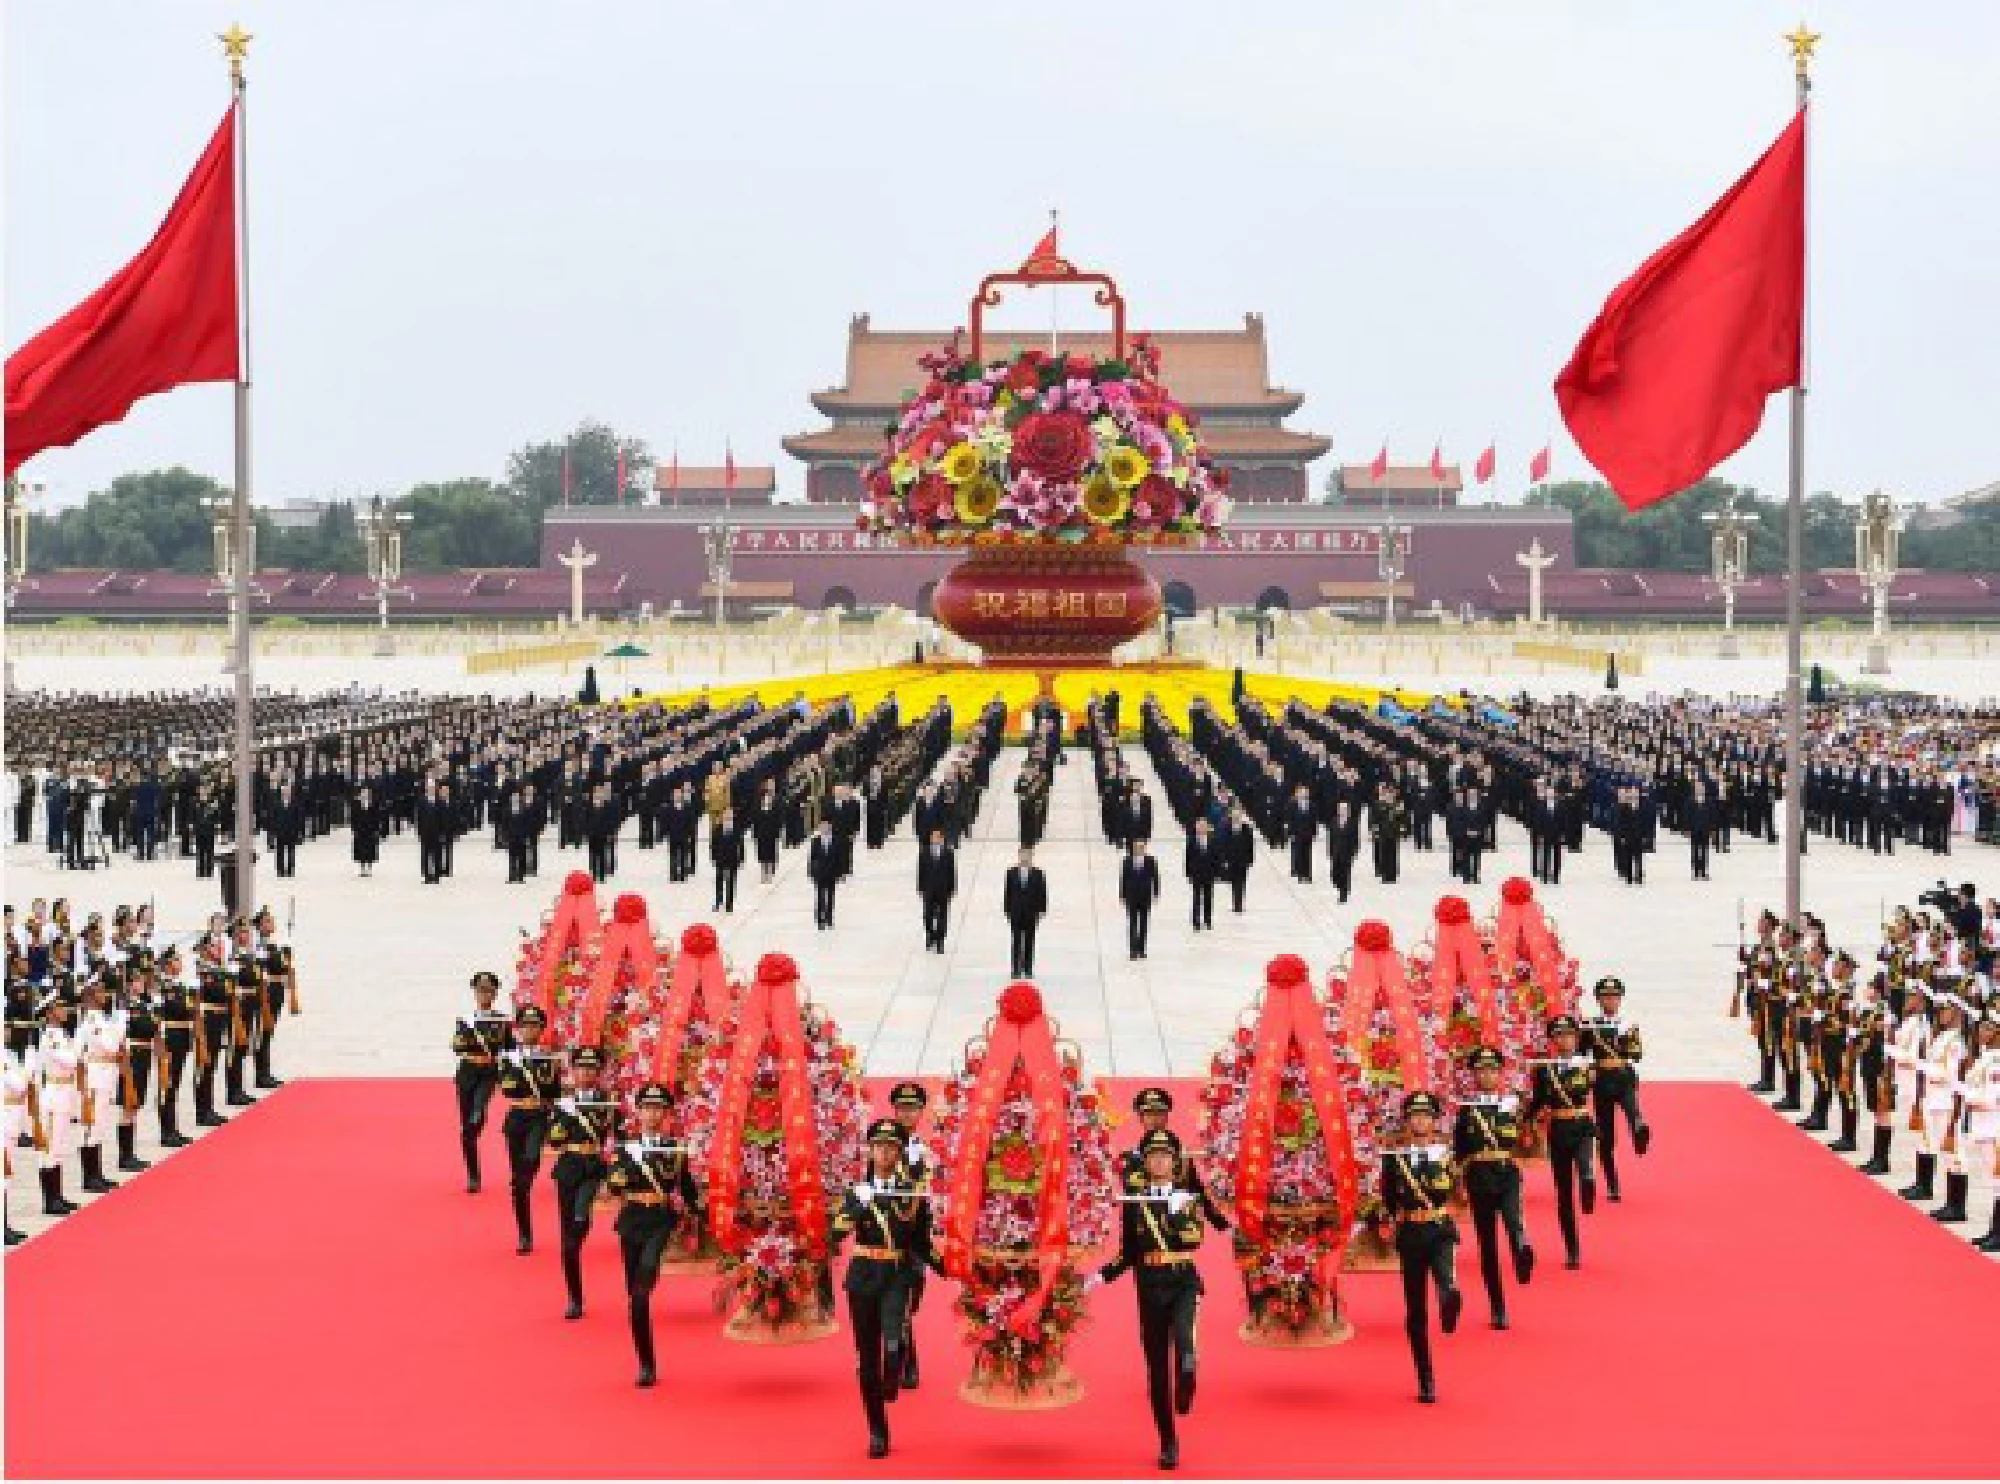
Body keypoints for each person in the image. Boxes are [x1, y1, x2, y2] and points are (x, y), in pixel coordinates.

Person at [1087, 1127, 1206, 1470]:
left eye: (1165, 1156)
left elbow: (1192, 1241)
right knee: (1156, 1370)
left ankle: (1188, 1379)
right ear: (1146, 1162)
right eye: (1153, 1156)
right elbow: (1128, 1253)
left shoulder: (1186, 1197)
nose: (1159, 1161)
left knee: (1185, 1346)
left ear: (1174, 1162)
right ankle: (1168, 1441)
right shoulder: (1134, 1202)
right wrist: (1100, 1276)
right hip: (1149, 1285)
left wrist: (1175, 1212)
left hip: (1182, 1280)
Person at [829, 1119, 938, 1460]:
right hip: (863, 1276)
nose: (884, 1152)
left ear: (900, 1152)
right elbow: (833, 1234)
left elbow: (921, 1242)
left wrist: (948, 1267)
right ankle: (877, 1429)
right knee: (866, 1359)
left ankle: (893, 1378)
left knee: (894, 1345)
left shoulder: (911, 1194)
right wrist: (856, 1207)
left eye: (891, 1147)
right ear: (870, 1151)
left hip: (896, 1274)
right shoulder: (857, 1189)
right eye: (878, 1146)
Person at [604, 1082, 703, 1387]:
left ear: (667, 1113)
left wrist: (705, 1214)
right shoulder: (625, 1147)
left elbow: (686, 1190)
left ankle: (650, 1274)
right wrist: (615, 1181)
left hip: (661, 1219)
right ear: (639, 1111)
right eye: (647, 1107)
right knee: (636, 1298)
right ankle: (646, 1363)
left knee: (647, 1271)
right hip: (632, 1219)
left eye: (658, 1108)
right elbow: (613, 1185)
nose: (652, 1113)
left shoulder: (675, 1150)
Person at [1380, 1090, 1463, 1405]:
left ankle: (1449, 1296)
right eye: (1415, 1116)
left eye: (1426, 1116)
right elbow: (1388, 1197)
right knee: (1415, 1311)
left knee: (1445, 1276)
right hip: (1411, 1233)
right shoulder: (1395, 1157)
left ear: (1434, 1120)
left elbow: (1455, 1187)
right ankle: (1425, 1377)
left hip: (1439, 1227)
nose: (1420, 1120)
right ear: (1407, 1121)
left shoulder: (1445, 1153)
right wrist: (1388, 1222)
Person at [1452, 1047, 1535, 1329]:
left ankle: (1522, 1251)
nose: (1487, 1076)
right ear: (1474, 1076)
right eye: (1481, 1071)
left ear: (1500, 1074)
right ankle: (1498, 1308)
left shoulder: (1512, 1104)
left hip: (1507, 1173)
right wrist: (1458, 1185)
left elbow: (1525, 1132)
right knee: (1487, 1247)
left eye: (1492, 1071)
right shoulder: (1465, 1111)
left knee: (1514, 1221)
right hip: (1478, 1178)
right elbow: (1459, 1150)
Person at [546, 1046, 621, 1318]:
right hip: (569, 1168)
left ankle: (582, 1213)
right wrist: (559, 1126)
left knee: (580, 1213)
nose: (586, 1073)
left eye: (591, 1068)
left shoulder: (608, 1102)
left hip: (594, 1168)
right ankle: (574, 1298)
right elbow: (553, 1140)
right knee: (569, 1242)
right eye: (581, 1068)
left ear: (598, 1073)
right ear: (573, 1072)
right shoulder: (563, 1103)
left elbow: (616, 1138)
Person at [1527, 1015, 1598, 1269]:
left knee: (1585, 1165)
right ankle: (1572, 1248)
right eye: (1560, 1035)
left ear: (1576, 1038)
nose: (1565, 1039)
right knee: (1564, 1195)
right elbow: (1537, 1102)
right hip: (1558, 1129)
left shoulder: (1587, 1064)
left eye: (1570, 1035)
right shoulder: (1545, 1069)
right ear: (1553, 1040)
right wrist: (1525, 1120)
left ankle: (1589, 1182)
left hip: (1582, 1124)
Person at [496, 1005, 560, 1254]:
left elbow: (553, 1092)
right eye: (525, 1025)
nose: (530, 1030)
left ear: (541, 1029)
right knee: (519, 1184)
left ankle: (527, 1176)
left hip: (539, 1117)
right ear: (518, 1029)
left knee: (531, 1160)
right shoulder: (509, 1057)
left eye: (534, 1025)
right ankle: (524, 1234)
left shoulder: (549, 1058)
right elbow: (508, 1088)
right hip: (517, 1117)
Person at [1580, 976, 1650, 1202]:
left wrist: (1622, 1041)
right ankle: (1612, 1184)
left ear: (1620, 999)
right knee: (1605, 1135)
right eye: (1606, 996)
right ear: (1599, 999)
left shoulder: (1628, 1024)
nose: (1610, 1000)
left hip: (1622, 1074)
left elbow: (1637, 1053)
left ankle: (1639, 1131)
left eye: (1614, 996)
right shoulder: (1590, 1025)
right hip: (1601, 1079)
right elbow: (1582, 1053)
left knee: (1632, 1109)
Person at [450, 972, 512, 1193]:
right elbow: (457, 1046)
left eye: (489, 989)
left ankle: (479, 1110)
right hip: (467, 1071)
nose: (485, 993)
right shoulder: (466, 1020)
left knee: (479, 1105)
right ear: (475, 992)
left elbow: (510, 1050)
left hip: (488, 1071)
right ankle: (473, 1174)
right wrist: (463, 1043)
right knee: (468, 1130)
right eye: (481, 989)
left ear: (496, 993)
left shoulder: (502, 1022)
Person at [1002, 846, 1047, 977]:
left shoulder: (1038, 873)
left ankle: (1027, 969)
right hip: (1016, 912)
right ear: (1019, 856)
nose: (1025, 858)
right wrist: (1007, 909)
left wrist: (1042, 910)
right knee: (1016, 940)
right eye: (1023, 855)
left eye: (1028, 855)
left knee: (1029, 941)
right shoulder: (1011, 873)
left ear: (1032, 856)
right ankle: (1015, 969)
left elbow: (1042, 893)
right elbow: (1007, 893)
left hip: (1031, 912)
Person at [916, 827, 956, 954]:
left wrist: (952, 888)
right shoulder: (924, 852)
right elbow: (920, 872)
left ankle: (940, 941)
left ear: (942, 839)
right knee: (928, 915)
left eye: (937, 837)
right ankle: (930, 935)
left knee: (942, 917)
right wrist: (920, 888)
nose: (935, 839)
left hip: (943, 890)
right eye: (933, 837)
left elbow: (952, 872)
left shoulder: (948, 853)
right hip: (928, 890)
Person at [1120, 838, 1161, 961]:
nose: (1139, 849)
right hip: (1131, 896)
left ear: (1144, 848)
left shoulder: (1150, 861)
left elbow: (1155, 877)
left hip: (1145, 896)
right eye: (1137, 847)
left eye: (1141, 847)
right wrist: (1122, 895)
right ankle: (1133, 950)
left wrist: (1156, 893)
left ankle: (1142, 950)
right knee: (1132, 923)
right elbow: (1123, 879)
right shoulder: (1127, 861)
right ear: (1133, 848)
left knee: (1143, 923)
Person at [1184, 818, 1220, 932]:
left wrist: (1217, 872)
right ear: (1196, 828)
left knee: (1208, 898)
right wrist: (1188, 873)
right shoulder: (1192, 841)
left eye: (1204, 826)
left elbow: (1216, 857)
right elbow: (1188, 858)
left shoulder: (1212, 840)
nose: (1202, 828)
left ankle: (1208, 920)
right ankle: (1196, 922)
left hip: (1209, 873)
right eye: (1200, 826)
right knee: (1196, 898)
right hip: (1196, 874)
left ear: (1207, 828)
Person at [808, 819, 842, 930]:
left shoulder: (836, 840)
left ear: (830, 827)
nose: (824, 828)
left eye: (827, 826)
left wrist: (840, 873)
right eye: (822, 827)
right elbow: (812, 858)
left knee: (830, 897)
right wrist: (811, 872)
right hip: (820, 873)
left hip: (832, 873)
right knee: (820, 896)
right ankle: (819, 920)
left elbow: (839, 858)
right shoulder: (816, 841)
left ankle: (829, 918)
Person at [710, 806, 745, 913]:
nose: (728, 817)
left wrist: (741, 859)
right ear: (723, 816)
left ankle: (729, 904)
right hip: (720, 858)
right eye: (726, 815)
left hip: (733, 858)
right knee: (719, 880)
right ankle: (718, 901)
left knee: (731, 882)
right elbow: (713, 845)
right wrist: (713, 857)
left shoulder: (737, 829)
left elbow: (741, 845)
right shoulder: (717, 829)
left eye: (730, 815)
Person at [1224, 805, 1255, 913]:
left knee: (1241, 882)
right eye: (1234, 814)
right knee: (1233, 882)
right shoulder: (1226, 828)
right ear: (1231, 815)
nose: (1236, 817)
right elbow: (1223, 846)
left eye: (1238, 814)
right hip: (1231, 860)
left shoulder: (1247, 828)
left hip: (1243, 860)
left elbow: (1250, 845)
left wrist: (1250, 859)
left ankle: (1239, 905)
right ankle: (1235, 903)